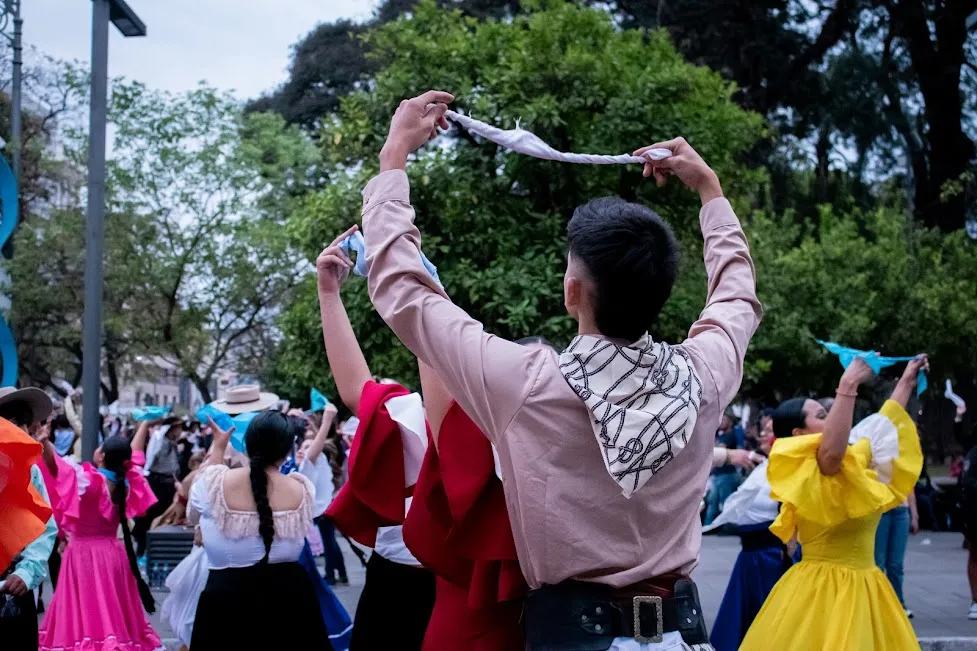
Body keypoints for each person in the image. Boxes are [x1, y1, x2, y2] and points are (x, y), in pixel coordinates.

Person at [362, 91, 761, 649]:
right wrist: (709, 192)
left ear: (573, 291)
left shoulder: (527, 383)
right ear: (665, 289)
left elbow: (406, 293)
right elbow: (737, 298)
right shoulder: (706, 375)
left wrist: (393, 159)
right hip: (682, 637)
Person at [740, 355, 927, 650]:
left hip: (867, 588)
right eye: (822, 416)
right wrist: (848, 383)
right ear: (799, 434)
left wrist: (907, 379)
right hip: (823, 593)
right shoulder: (814, 466)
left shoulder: (854, 459)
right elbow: (830, 456)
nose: (832, 417)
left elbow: (884, 421)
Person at [315, 230, 436, 650]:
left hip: (416, 586)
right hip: (451, 589)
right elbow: (359, 393)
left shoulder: (421, 421)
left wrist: (329, 293)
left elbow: (356, 391)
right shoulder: (422, 419)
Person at [188, 409, 332, 649]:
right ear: (287, 449)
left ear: (247, 442)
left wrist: (219, 448)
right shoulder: (302, 489)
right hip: (291, 602)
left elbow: (197, 513)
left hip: (226, 602)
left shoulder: (211, 486)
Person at [37, 430, 161, 651]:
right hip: (113, 552)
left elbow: (57, 468)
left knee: (88, 608)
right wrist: (144, 425)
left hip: (84, 553)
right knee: (109, 607)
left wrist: (45, 441)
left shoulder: (91, 480)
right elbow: (135, 452)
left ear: (102, 455)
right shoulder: (127, 481)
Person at [705, 418, 796, 651]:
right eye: (762, 430)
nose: (762, 435)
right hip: (751, 556)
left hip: (772, 555)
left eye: (769, 431)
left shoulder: (790, 467)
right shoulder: (764, 465)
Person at [0, 387, 58, 650]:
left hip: (13, 586)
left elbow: (43, 526)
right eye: (15, 424)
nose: (24, 433)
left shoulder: (30, 471)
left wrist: (26, 572)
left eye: (25, 426)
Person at [133, 416, 184, 556]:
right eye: (178, 428)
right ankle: (143, 549)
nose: (180, 432)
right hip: (157, 484)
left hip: (169, 485)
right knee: (149, 517)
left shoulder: (173, 444)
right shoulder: (159, 441)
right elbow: (151, 459)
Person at [875, 469, 920, 618]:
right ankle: (878, 604)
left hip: (901, 510)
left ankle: (899, 603)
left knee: (896, 564)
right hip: (880, 510)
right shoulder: (872, 450)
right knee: (878, 563)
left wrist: (914, 514)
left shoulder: (903, 455)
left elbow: (909, 486)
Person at [705, 410, 746, 525]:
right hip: (719, 474)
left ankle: (728, 526)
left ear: (731, 422)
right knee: (713, 501)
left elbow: (718, 450)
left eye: (724, 420)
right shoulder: (721, 435)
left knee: (725, 502)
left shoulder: (730, 436)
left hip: (726, 474)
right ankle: (709, 526)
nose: (721, 422)